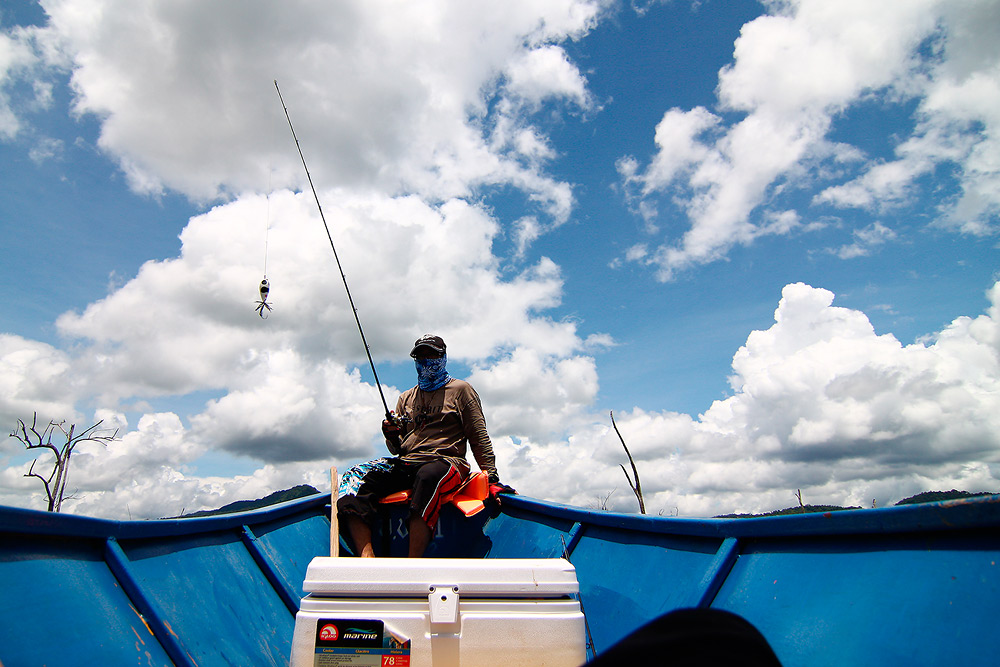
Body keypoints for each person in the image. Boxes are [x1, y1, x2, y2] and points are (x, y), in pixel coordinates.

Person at [337, 334, 512, 557]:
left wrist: (492, 477)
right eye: (420, 356)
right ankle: (366, 557)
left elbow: (479, 436)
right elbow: (397, 449)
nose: (426, 360)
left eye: (432, 355)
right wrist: (390, 434)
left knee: (428, 476)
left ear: (443, 357)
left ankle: (412, 562)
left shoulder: (461, 390)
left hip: (447, 462)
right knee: (355, 476)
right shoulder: (406, 397)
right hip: (407, 462)